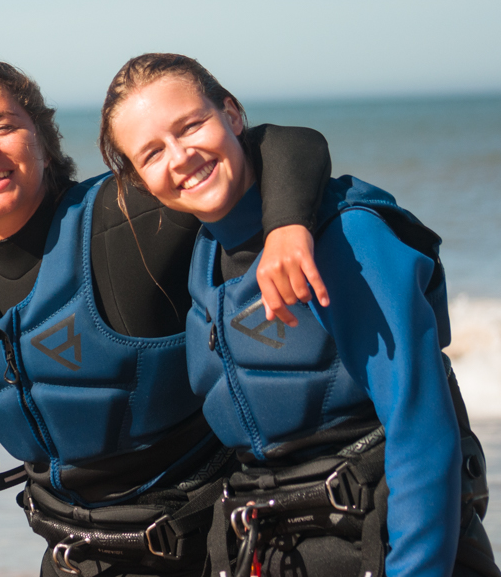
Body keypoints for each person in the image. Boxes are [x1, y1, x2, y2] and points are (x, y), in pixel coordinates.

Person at [0, 54, 334, 577]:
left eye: (4, 127)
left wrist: (288, 225)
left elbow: (277, 144)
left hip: (197, 549)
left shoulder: (122, 217)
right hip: (67, 555)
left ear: (42, 135)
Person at [99, 53, 499, 577]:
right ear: (140, 179)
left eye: (191, 125)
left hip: (384, 547)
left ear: (232, 115)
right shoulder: (199, 258)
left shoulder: (348, 237)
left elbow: (420, 425)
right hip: (274, 550)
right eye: (152, 152)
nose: (180, 156)